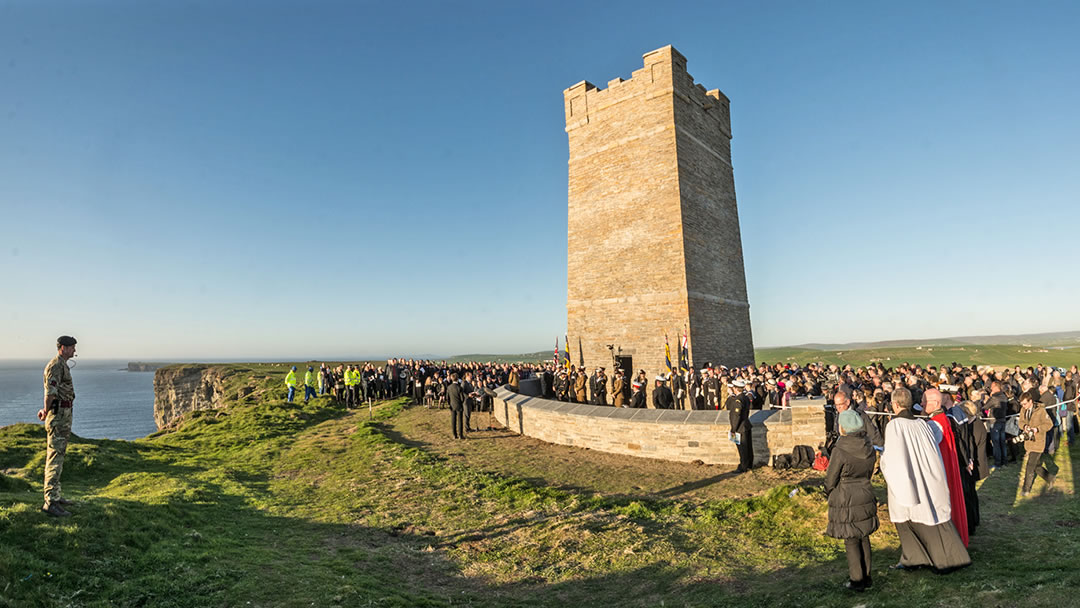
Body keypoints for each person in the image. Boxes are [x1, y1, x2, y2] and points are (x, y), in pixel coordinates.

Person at [880, 387, 970, 572]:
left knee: (913, 523)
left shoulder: (895, 426)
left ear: (895, 405)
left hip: (909, 482)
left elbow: (894, 458)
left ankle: (929, 559)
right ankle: (916, 558)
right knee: (927, 522)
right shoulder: (921, 424)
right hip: (926, 479)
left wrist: (883, 461)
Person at [824, 410, 879, 591]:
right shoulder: (868, 446)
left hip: (846, 494)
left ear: (843, 427)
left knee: (850, 539)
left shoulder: (840, 450)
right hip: (864, 490)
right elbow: (870, 471)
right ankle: (867, 576)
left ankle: (857, 580)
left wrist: (829, 491)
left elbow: (831, 478)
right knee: (863, 536)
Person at [922, 388, 969, 547]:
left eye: (924, 401)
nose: (921, 404)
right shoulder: (942, 419)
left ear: (934, 403)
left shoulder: (935, 423)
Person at [40, 335, 78, 517]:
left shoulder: (61, 364)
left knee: (59, 455)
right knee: (55, 456)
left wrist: (46, 410)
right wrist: (46, 411)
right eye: (72, 348)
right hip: (58, 416)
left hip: (63, 414)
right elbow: (51, 393)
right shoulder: (55, 366)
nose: (74, 351)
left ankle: (56, 495)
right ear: (63, 347)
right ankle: (50, 502)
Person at [1017, 390, 1055, 496]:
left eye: (1025, 404)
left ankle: (1026, 489)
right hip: (1028, 442)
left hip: (1038, 442)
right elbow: (1021, 421)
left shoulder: (1041, 411)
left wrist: (1037, 429)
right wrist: (1025, 427)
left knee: (1030, 465)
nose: (1023, 406)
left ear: (1030, 401)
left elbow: (1049, 424)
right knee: (1036, 466)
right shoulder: (1023, 410)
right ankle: (1050, 478)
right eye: (1022, 404)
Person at [727, 379, 754, 473]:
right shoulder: (745, 397)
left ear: (735, 389)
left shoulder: (738, 400)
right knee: (747, 447)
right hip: (745, 425)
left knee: (742, 448)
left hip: (740, 427)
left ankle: (743, 466)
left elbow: (737, 416)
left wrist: (733, 429)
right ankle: (749, 464)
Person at [446, 373, 467, 439]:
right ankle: (460, 435)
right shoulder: (459, 387)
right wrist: (461, 402)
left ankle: (454, 435)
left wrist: (450, 404)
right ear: (457, 379)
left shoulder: (449, 387)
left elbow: (447, 397)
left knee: (453, 420)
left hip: (452, 405)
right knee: (460, 420)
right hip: (459, 405)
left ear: (451, 379)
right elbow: (462, 398)